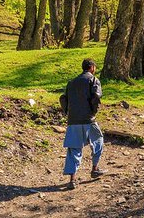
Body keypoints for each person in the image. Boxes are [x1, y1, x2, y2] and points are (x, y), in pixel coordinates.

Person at [61, 58, 106, 189]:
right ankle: (95, 168)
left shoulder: (71, 82)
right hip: (88, 119)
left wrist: (67, 112)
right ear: (92, 67)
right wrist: (93, 112)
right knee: (98, 140)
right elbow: (96, 97)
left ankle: (72, 180)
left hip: (73, 120)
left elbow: (64, 98)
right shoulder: (93, 80)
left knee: (74, 149)